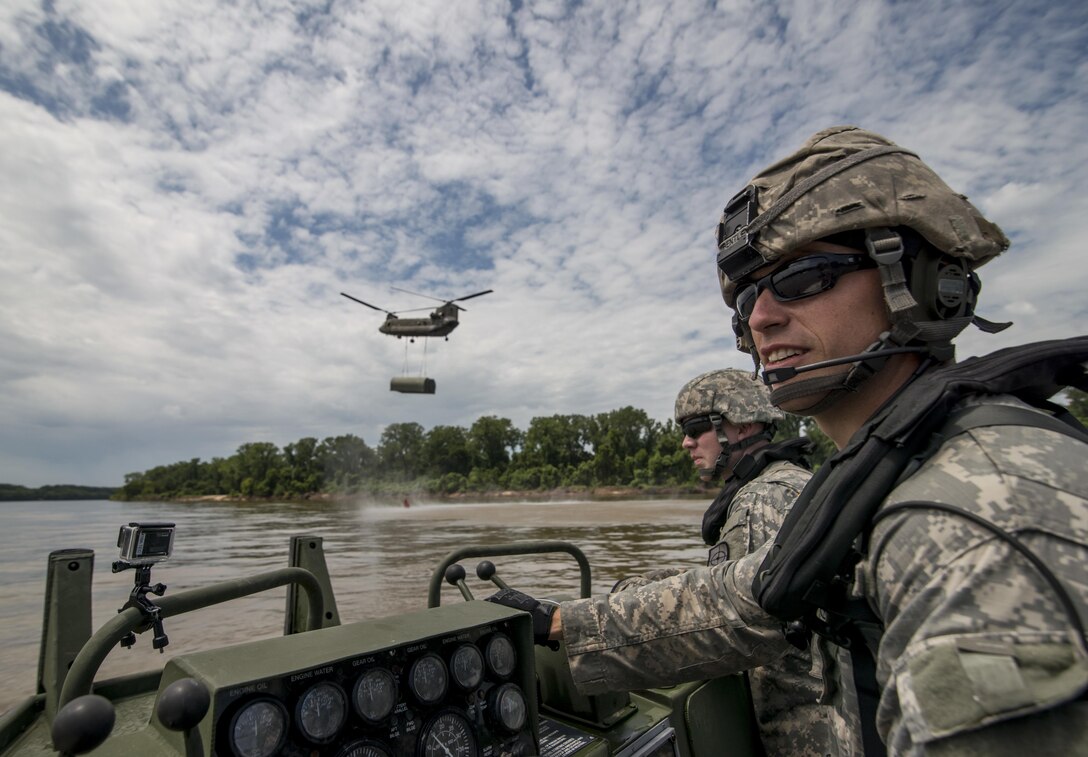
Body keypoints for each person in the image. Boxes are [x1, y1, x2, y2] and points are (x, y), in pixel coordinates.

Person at [489, 126, 1088, 755]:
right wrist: (566, 621)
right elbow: (755, 596)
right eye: (749, 296)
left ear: (920, 278)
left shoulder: (980, 510)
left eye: (804, 279)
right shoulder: (881, 477)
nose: (760, 318)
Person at [612, 369, 829, 755]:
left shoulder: (761, 499)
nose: (686, 442)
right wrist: (654, 583)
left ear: (742, 425)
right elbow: (738, 578)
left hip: (800, 733)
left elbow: (732, 621)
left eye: (696, 429)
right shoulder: (791, 480)